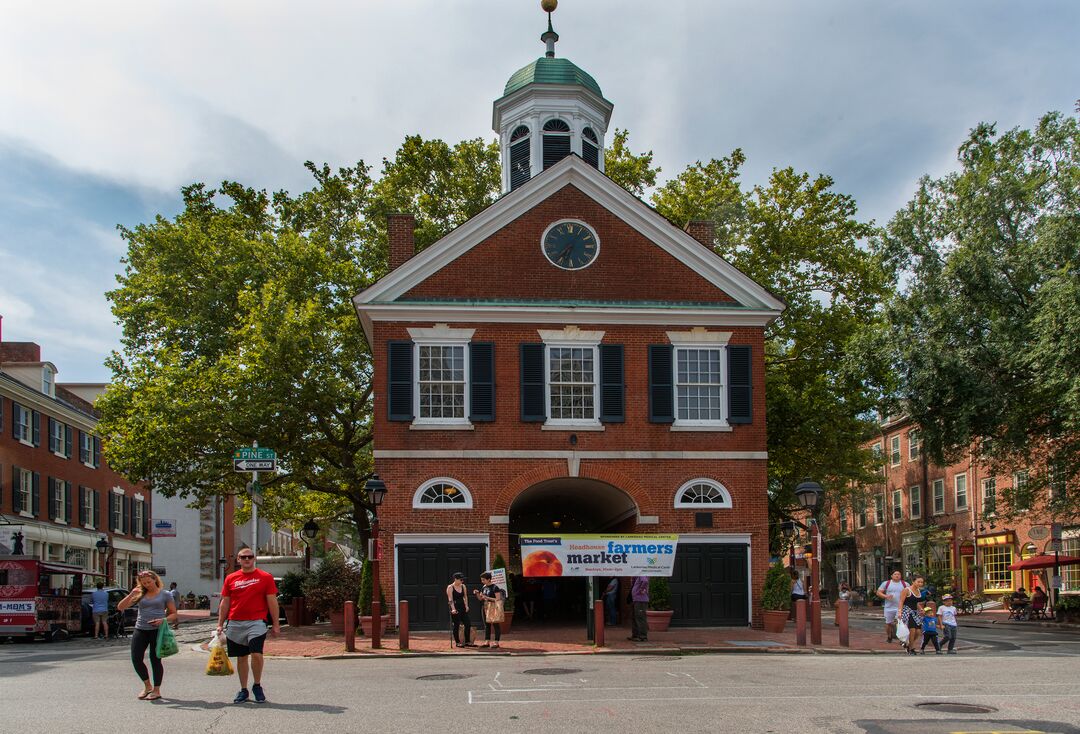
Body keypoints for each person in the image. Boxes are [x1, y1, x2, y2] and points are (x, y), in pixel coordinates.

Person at [217, 547, 280, 704]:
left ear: (254, 559)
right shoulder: (231, 578)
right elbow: (225, 602)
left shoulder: (265, 577)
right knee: (242, 657)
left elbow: (272, 601)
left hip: (257, 622)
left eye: (249, 557)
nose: (246, 559)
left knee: (256, 653)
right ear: (238, 560)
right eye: (243, 557)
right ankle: (243, 689)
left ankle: (257, 685)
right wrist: (220, 624)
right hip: (235, 622)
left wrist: (276, 624)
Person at [117, 570, 177, 701]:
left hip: (157, 630)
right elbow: (120, 607)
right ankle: (147, 685)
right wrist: (131, 594)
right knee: (136, 658)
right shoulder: (140, 594)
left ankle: (156, 690)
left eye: (149, 582)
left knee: (155, 659)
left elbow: (173, 614)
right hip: (141, 628)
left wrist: (163, 620)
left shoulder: (165, 594)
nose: (147, 585)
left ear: (155, 579)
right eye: (144, 583)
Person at [898, 574, 928, 655]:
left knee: (918, 632)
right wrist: (899, 612)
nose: (920, 584)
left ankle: (908, 644)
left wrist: (921, 609)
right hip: (907, 611)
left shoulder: (918, 591)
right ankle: (911, 649)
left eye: (921, 582)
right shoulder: (906, 590)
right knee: (912, 630)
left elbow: (916, 602)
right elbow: (901, 601)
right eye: (918, 582)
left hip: (915, 612)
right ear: (913, 581)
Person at [876, 570, 909, 643]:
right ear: (892, 576)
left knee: (900, 623)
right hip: (889, 607)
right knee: (888, 623)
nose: (897, 575)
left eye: (899, 574)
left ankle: (901, 638)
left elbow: (910, 593)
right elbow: (878, 592)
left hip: (900, 607)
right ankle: (889, 636)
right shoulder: (886, 583)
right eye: (895, 574)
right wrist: (886, 596)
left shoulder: (905, 584)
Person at [475, 572, 505, 648]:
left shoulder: (495, 587)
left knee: (495, 624)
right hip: (485, 607)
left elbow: (498, 599)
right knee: (487, 625)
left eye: (483, 580)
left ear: (489, 579)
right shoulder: (484, 587)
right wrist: (477, 594)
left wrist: (487, 598)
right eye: (481, 580)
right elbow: (480, 598)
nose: (482, 581)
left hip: (493, 607)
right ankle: (487, 641)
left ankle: (496, 642)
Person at [446, 572, 476, 648]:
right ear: (455, 579)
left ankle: (467, 641)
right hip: (455, 607)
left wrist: (466, 605)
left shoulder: (463, 586)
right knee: (456, 625)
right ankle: (458, 642)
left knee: (468, 623)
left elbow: (465, 596)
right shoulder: (450, 587)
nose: (462, 581)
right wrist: (453, 609)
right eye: (461, 579)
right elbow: (450, 599)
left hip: (462, 606)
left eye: (463, 580)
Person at [629, 575, 649, 642]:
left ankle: (643, 636)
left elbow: (645, 581)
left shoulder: (642, 573)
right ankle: (635, 635)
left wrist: (641, 590)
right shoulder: (636, 576)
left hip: (641, 600)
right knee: (635, 617)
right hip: (636, 599)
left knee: (640, 618)